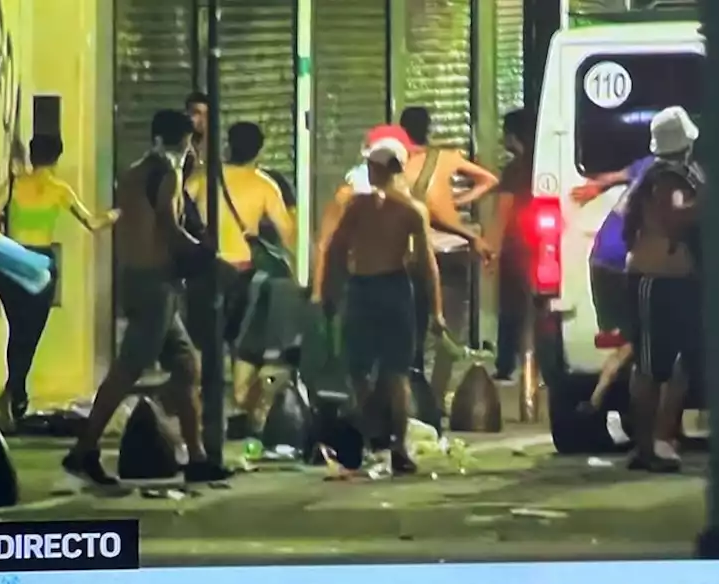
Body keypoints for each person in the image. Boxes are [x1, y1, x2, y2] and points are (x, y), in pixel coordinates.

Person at [70, 110, 231, 486]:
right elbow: (169, 227)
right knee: (128, 370)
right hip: (156, 283)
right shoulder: (168, 175)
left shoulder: (134, 172)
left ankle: (197, 458)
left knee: (186, 365)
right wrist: (206, 256)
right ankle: (83, 450)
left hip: (138, 279)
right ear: (185, 141)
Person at [315, 136, 444, 476]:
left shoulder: (358, 206)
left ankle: (374, 434)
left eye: (372, 165)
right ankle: (397, 446)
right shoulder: (412, 210)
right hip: (394, 288)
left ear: (384, 168)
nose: (368, 171)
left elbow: (336, 250)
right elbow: (426, 263)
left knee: (360, 371)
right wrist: (437, 311)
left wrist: (328, 292)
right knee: (396, 374)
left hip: (363, 289)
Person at [0, 134, 117, 424]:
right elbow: (94, 224)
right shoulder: (60, 189)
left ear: (33, 155)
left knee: (17, 328)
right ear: (57, 157)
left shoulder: (14, 184)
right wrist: (116, 214)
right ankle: (15, 392)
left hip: (12, 260)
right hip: (41, 266)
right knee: (29, 333)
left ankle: (14, 392)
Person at [186, 121, 298, 426]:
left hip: (205, 271)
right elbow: (289, 235)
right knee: (242, 347)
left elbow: (177, 210)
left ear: (228, 144)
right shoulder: (264, 185)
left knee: (200, 346)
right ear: (259, 150)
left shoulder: (202, 178)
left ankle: (197, 418)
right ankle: (241, 409)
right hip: (244, 275)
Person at [622, 107, 705, 473]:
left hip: (674, 282)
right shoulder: (667, 179)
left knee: (677, 364)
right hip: (655, 282)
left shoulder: (674, 176)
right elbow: (676, 217)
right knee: (650, 367)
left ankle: (661, 436)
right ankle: (645, 447)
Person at [398, 107, 499, 370]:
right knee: (450, 328)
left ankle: (417, 379)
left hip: (416, 253)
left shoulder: (399, 164)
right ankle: (439, 391)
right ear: (428, 129)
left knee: (415, 323)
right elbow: (489, 180)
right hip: (452, 250)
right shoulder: (445, 157)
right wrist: (458, 200)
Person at [490, 109, 534, 382]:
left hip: (516, 247)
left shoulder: (514, 169)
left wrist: (492, 248)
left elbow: (503, 211)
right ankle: (535, 362)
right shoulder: (544, 162)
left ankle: (506, 363)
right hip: (541, 246)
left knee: (510, 307)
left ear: (513, 135)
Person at [185, 91, 211, 173]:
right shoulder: (183, 145)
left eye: (198, 113)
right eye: (195, 113)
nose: (192, 118)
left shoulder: (218, 146)